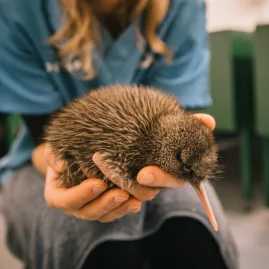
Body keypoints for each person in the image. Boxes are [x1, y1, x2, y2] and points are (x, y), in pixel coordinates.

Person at [0, 0, 238, 268]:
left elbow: (179, 122)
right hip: (44, 154)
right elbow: (44, 135)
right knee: (102, 248)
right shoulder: (18, 7)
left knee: (192, 234)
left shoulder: (183, 6)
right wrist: (62, 167)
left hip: (160, 157)